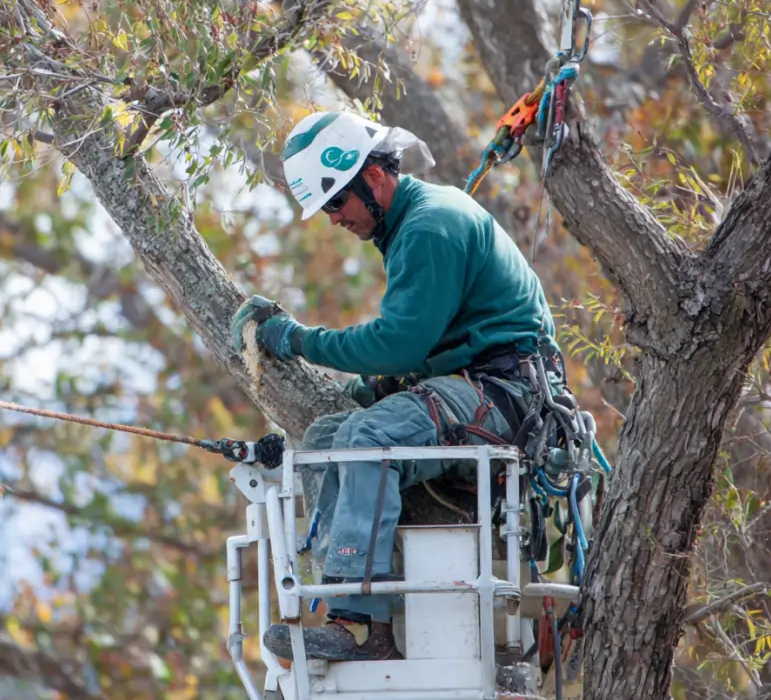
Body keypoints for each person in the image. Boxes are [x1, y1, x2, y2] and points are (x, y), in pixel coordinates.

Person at [230, 111, 566, 663]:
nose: (334, 219)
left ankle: (360, 624)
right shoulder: (410, 227)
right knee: (324, 437)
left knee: (367, 440)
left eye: (337, 202)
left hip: (505, 392)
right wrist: (371, 388)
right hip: (466, 382)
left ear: (375, 177)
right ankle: (339, 596)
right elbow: (416, 351)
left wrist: (298, 340)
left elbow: (400, 343)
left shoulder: (430, 226)